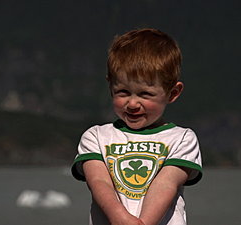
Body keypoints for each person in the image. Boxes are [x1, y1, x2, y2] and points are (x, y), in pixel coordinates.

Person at [71, 28, 202, 225]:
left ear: (173, 93)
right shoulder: (96, 137)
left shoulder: (182, 139)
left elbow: (166, 184)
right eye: (123, 92)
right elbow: (99, 182)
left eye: (145, 94)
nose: (132, 104)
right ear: (110, 87)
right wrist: (119, 217)